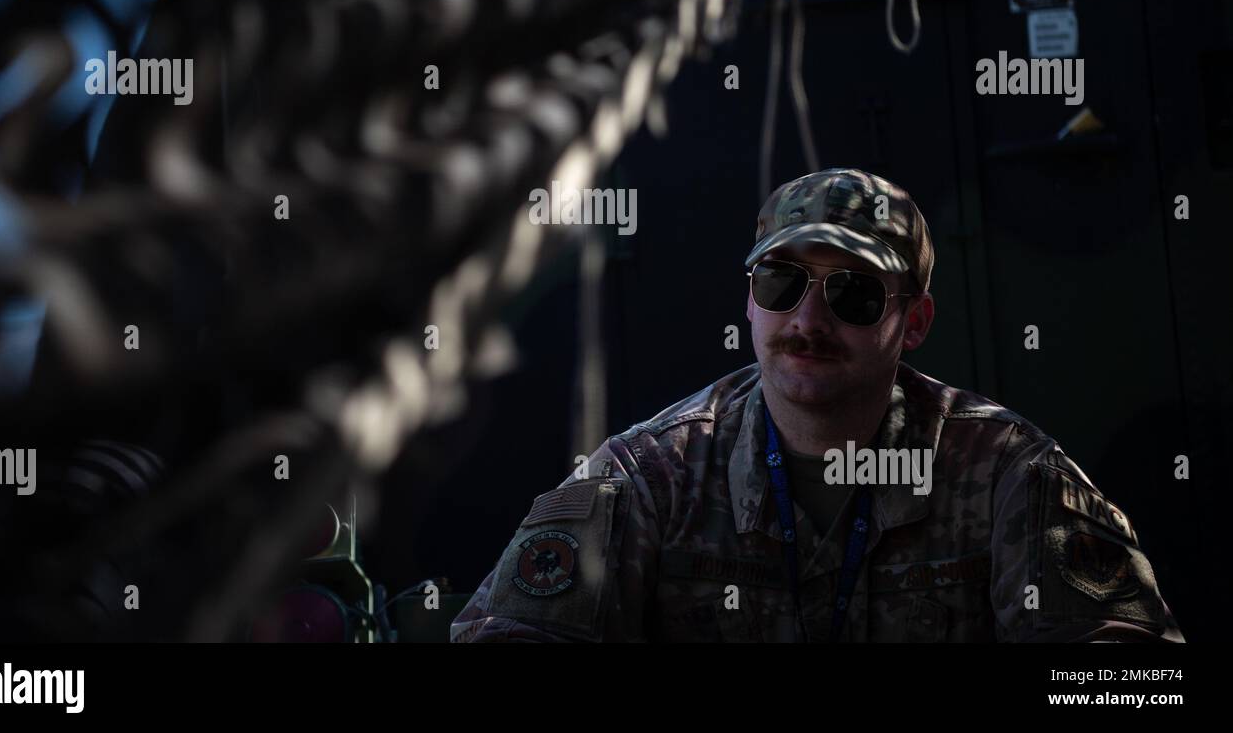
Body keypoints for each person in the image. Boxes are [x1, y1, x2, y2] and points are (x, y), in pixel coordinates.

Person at [450, 168, 1184, 642]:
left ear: (915, 322)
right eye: (782, 283)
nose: (808, 320)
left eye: (854, 293)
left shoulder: (1005, 475)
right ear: (750, 301)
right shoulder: (649, 477)